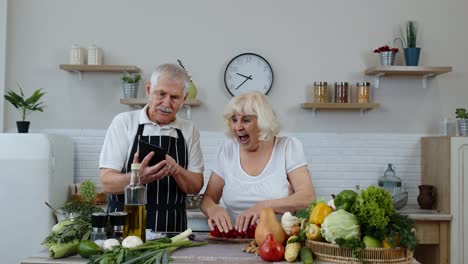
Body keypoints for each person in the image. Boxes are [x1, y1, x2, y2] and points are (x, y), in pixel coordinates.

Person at [99, 63, 204, 232]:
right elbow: (107, 183)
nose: (166, 103)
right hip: (124, 230)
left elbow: (196, 186)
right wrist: (137, 178)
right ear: (148, 90)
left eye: (175, 97)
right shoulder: (124, 123)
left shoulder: (189, 130)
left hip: (172, 231)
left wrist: (177, 170)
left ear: (184, 99)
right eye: (161, 94)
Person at [200, 91, 315, 234]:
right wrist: (213, 209)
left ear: (262, 122)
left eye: (246, 120)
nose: (238, 127)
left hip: (277, 242)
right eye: (234, 120)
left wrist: (263, 207)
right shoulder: (227, 150)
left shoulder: (287, 147)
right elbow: (208, 199)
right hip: (233, 239)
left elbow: (307, 198)